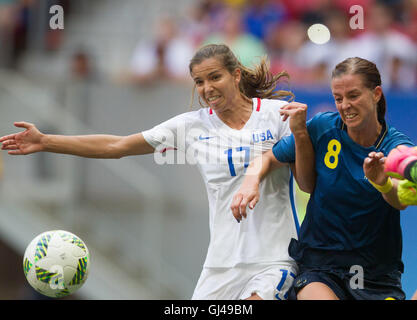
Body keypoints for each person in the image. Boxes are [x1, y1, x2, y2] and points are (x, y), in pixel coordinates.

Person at [0, 43, 302, 300]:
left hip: (273, 258)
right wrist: (46, 141)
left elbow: (303, 174)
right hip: (221, 263)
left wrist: (265, 165)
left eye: (215, 77)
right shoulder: (191, 126)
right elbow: (116, 146)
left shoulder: (276, 116)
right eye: (199, 82)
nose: (207, 88)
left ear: (235, 75)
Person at [232, 56, 415, 300]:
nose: (345, 105)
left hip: (376, 277)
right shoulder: (322, 128)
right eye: (338, 98)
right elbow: (265, 159)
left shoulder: (396, 145)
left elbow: (400, 199)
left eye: (353, 95)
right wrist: (249, 183)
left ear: (376, 94)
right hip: (320, 267)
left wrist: (381, 181)